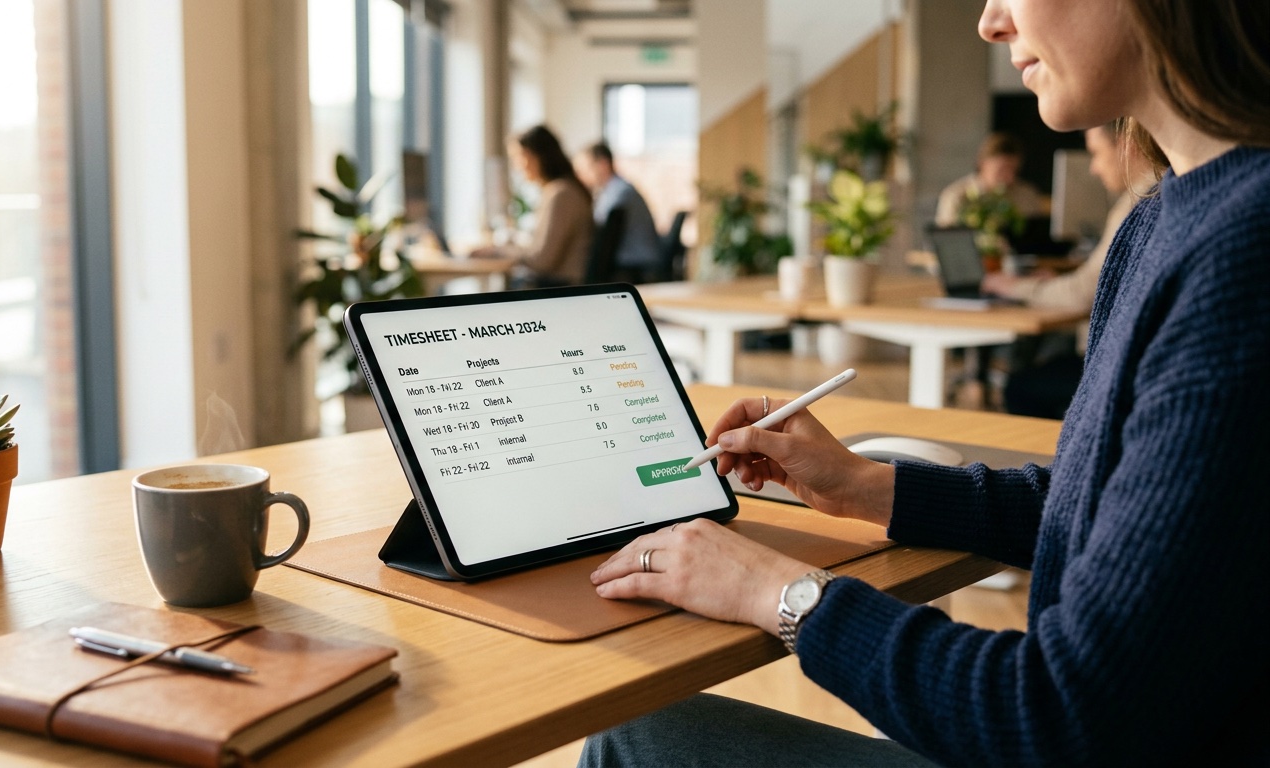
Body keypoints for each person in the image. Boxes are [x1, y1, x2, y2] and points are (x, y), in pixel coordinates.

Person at [583, 0, 1270, 765]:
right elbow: (1101, 513)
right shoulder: (1163, 221)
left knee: (640, 741)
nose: (991, 21)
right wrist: (866, 486)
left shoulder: (1244, 257)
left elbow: (1066, 718)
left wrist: (778, 592)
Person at [982, 123, 1159, 418]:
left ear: (1128, 145)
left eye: (1096, 153)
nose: (1093, 168)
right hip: (1136, 362)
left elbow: (1082, 294)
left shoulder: (1139, 206)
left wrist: (1013, 286)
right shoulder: (1162, 194)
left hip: (1120, 368)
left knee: (1020, 386)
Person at [471, 125, 594, 287]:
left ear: (537, 157)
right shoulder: (560, 190)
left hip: (559, 288)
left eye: (518, 157)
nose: (516, 166)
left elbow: (542, 260)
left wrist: (497, 251)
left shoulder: (561, 194)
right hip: (557, 284)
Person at [577, 142, 662, 282]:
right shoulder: (613, 190)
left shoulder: (619, 192)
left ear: (603, 164)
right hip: (632, 262)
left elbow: (599, 226)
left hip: (636, 265)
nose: (582, 176)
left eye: (585, 169)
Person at [934, 132, 1048, 228]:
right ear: (982, 164)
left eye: (1014, 170)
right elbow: (946, 242)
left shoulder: (1026, 195)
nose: (1009, 177)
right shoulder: (956, 196)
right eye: (1002, 170)